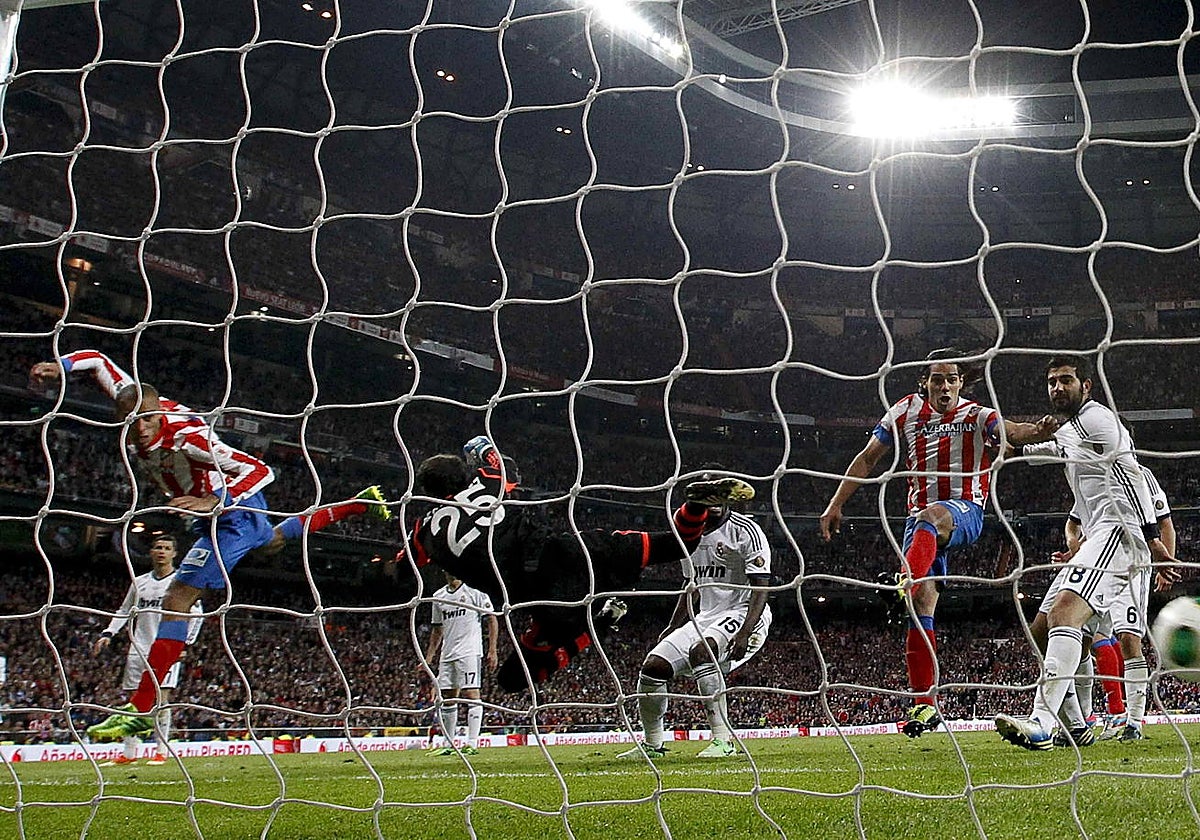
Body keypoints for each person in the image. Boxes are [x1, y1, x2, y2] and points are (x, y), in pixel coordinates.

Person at [29, 350, 391, 741]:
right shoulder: (134, 402)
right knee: (270, 543)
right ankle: (358, 503)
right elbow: (99, 362)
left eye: (149, 419)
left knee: (178, 598)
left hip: (232, 509)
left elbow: (259, 469)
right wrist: (62, 366)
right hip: (217, 513)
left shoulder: (188, 440)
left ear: (158, 413)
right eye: (132, 421)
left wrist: (217, 501)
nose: (142, 428)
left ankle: (142, 708)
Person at [818, 348, 1058, 737]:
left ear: (961, 382)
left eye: (951, 379)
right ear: (924, 382)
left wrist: (1037, 431)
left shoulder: (976, 415)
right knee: (921, 604)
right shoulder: (904, 411)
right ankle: (924, 707)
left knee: (930, 524)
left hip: (964, 511)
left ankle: (901, 581)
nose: (944, 385)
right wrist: (835, 504)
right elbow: (867, 458)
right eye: (936, 379)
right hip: (918, 525)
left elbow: (1012, 431)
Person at [401, 435, 755, 692]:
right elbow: (500, 466)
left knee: (514, 679)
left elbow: (401, 567)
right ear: (462, 478)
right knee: (675, 545)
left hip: (544, 600)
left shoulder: (422, 534)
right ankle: (695, 504)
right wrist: (480, 450)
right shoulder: (484, 483)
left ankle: (598, 626)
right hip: (573, 553)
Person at [995, 355, 1178, 750]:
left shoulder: (1098, 420)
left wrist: (1151, 539)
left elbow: (1130, 477)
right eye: (1051, 382)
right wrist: (1013, 452)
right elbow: (1055, 451)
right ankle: (1077, 726)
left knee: (1066, 613)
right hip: (1097, 536)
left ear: (1086, 386)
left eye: (1065, 380)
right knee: (1041, 630)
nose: (1057, 388)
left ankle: (1042, 722)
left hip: (1121, 532)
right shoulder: (1074, 430)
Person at [619, 470, 772, 760]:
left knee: (703, 651)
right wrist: (672, 626)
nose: (713, 499)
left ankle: (723, 741)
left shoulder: (745, 531)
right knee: (653, 668)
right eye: (707, 492)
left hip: (744, 611)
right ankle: (652, 745)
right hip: (705, 616)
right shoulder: (687, 533)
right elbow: (692, 587)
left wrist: (745, 631)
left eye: (719, 491)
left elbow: (762, 588)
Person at [1027, 463, 1178, 745]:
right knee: (1072, 636)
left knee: (1128, 640)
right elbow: (1074, 523)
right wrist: (1075, 545)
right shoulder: (1086, 473)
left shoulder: (1140, 475)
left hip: (1131, 562)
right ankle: (1080, 720)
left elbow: (1164, 521)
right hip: (1093, 561)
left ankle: (1132, 721)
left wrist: (1163, 563)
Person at [92, 534, 204, 765]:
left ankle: (161, 751)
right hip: (139, 647)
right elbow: (125, 610)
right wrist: (108, 633)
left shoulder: (182, 584)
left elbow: (197, 615)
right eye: (157, 547)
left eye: (166, 548)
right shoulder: (140, 582)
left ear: (174, 554)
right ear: (151, 552)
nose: (161, 551)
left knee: (162, 700)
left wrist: (186, 644)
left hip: (166, 647)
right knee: (134, 700)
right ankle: (129, 753)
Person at [422, 571, 499, 756]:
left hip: (470, 651)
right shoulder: (438, 597)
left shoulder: (475, 591)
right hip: (447, 654)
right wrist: (429, 656)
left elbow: (492, 618)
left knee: (472, 693)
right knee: (448, 697)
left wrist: (492, 649)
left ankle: (472, 743)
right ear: (443, 571)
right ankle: (449, 744)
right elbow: (437, 630)